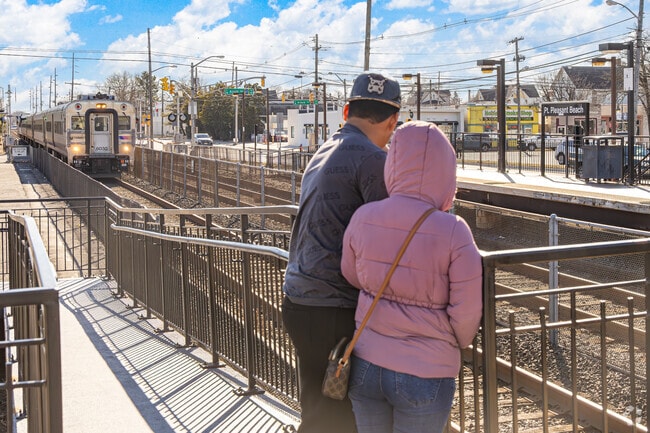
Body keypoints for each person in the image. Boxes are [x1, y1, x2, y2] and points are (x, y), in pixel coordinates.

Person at [341, 120, 483, 433]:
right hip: (427, 369)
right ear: (446, 170)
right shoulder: (454, 230)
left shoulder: (364, 216)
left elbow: (351, 275)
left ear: (393, 164)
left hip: (366, 363)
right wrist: (453, 343)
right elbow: (468, 310)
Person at [282, 72, 401, 433]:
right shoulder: (373, 160)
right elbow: (388, 237)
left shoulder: (323, 150)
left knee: (319, 407)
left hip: (301, 298)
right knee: (339, 417)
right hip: (333, 306)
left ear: (347, 110)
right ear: (393, 121)